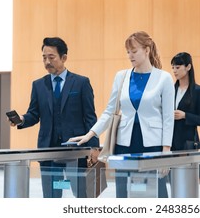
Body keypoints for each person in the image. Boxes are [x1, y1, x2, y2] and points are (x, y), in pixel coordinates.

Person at [68, 31, 175, 198]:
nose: (130, 56)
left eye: (134, 51)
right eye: (128, 52)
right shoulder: (121, 76)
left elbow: (168, 118)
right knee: (123, 192)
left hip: (153, 144)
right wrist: (91, 133)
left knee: (156, 192)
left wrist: (166, 150)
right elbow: (110, 111)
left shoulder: (164, 78)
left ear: (147, 50)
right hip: (124, 143)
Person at [9, 37, 99, 198]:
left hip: (76, 150)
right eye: (44, 57)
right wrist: (21, 119)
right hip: (48, 149)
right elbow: (34, 114)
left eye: (51, 57)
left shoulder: (81, 83)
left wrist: (94, 147)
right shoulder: (38, 85)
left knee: (82, 195)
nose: (47, 61)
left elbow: (90, 118)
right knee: (51, 197)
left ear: (64, 58)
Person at [170, 52, 200, 151]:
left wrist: (185, 115)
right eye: (173, 68)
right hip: (170, 143)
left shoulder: (198, 91)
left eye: (177, 67)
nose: (174, 71)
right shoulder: (170, 90)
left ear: (188, 67)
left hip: (189, 144)